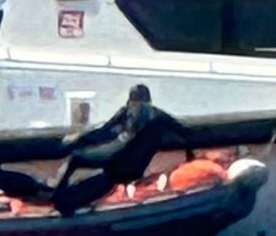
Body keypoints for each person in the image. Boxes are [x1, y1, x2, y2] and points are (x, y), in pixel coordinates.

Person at [52, 82, 195, 216]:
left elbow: (105, 133)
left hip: (126, 163)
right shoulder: (136, 113)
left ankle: (64, 200)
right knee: (80, 161)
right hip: (120, 157)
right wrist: (79, 140)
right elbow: (103, 132)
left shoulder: (155, 117)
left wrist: (190, 157)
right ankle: (61, 196)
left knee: (90, 168)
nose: (135, 105)